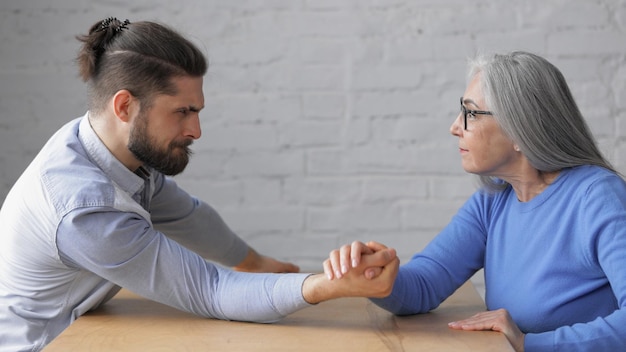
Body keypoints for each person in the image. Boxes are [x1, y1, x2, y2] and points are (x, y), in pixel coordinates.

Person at [0, 18, 399, 352]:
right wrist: (329, 285)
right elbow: (211, 291)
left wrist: (256, 263)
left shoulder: (100, 145)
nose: (196, 130)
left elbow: (190, 217)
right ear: (124, 106)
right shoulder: (85, 211)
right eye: (182, 112)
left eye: (197, 111)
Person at [324, 51, 626, 351]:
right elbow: (425, 285)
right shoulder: (494, 198)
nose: (455, 127)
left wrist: (528, 344)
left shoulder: (598, 198)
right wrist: (374, 274)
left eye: (470, 113)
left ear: (520, 129)